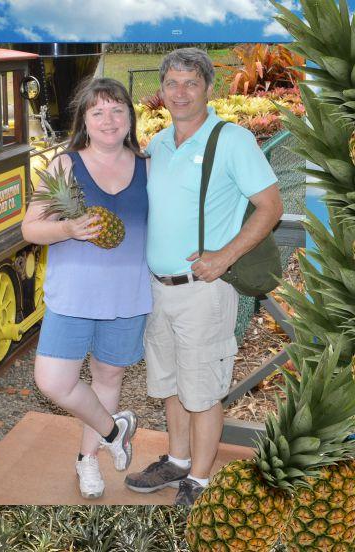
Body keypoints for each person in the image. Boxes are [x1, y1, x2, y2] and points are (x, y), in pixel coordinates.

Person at [123, 48, 283, 505]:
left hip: (204, 290)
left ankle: (202, 477)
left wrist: (225, 256)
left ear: (208, 89)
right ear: (162, 90)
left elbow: (271, 207)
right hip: (160, 290)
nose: (181, 92)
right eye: (172, 83)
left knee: (203, 391)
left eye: (191, 83)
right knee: (171, 384)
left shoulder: (230, 140)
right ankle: (176, 461)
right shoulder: (159, 143)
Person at [21, 77, 151, 500]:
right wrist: (69, 227)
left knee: (107, 378)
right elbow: (31, 228)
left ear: (130, 117)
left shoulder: (149, 167)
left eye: (117, 110)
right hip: (73, 295)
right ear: (84, 120)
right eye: (98, 111)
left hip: (127, 294)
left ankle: (88, 460)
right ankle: (116, 431)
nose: (108, 119)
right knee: (54, 381)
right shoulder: (65, 164)